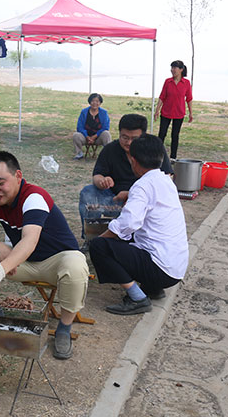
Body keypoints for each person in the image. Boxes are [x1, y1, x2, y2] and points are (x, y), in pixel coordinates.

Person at [0, 151, 89, 360]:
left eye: (0, 183)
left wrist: (2, 267)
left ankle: (64, 328)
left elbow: (29, 240)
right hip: (22, 262)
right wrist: (0, 247)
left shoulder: (33, 197)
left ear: (18, 176)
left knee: (76, 264)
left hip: (56, 262)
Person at [89, 134, 188, 315]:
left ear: (133, 161)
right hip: (176, 268)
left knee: (99, 246)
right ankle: (153, 288)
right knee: (135, 238)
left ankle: (138, 298)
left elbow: (127, 224)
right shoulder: (165, 180)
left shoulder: (142, 186)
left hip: (160, 268)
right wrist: (130, 194)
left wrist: (100, 240)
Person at [78, 113, 173, 240]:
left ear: (143, 137)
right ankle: (91, 237)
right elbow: (97, 175)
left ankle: (131, 237)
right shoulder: (110, 149)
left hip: (142, 202)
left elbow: (167, 178)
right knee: (88, 192)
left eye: (134, 138)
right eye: (124, 137)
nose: (129, 142)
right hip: (114, 200)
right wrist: (102, 181)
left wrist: (132, 195)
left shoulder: (153, 150)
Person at [154, 60, 193, 159]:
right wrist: (157, 110)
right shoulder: (168, 81)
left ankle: (173, 158)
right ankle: (157, 156)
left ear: (181, 69)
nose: (172, 70)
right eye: (171, 68)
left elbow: (189, 98)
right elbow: (162, 96)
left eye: (175, 68)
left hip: (179, 113)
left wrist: (191, 113)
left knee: (175, 135)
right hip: (166, 112)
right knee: (162, 134)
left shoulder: (186, 83)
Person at [73, 93, 111, 160]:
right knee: (76, 135)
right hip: (85, 137)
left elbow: (105, 127)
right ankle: (79, 154)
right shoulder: (84, 112)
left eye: (97, 101)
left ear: (100, 103)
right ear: (89, 102)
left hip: (98, 138)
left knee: (106, 134)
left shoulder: (104, 113)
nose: (95, 103)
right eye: (93, 101)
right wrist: (87, 137)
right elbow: (79, 127)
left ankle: (108, 154)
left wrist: (94, 137)